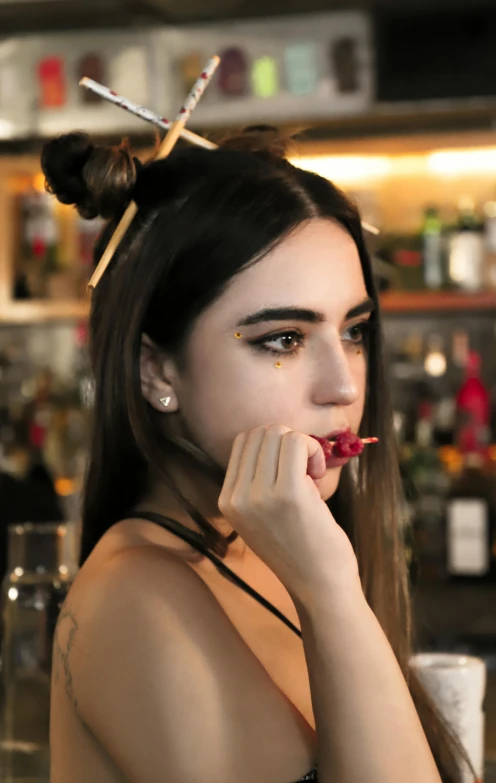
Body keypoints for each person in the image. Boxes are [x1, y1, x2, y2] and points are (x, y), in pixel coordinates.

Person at [41, 127, 472, 783]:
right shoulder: (140, 598)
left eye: (354, 331)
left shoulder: (262, 542)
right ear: (157, 371)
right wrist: (330, 590)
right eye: (282, 340)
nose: (345, 384)